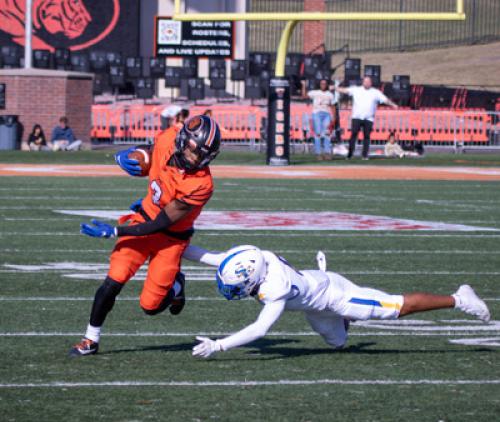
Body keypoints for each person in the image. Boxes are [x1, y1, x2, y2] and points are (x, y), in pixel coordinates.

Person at [70, 115, 221, 356]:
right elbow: (151, 152)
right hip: (143, 217)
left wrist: (115, 231)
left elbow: (160, 223)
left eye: (203, 155)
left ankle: (177, 287)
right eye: (194, 152)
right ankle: (91, 339)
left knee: (150, 306)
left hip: (170, 238)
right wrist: (132, 155)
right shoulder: (169, 138)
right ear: (183, 140)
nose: (196, 159)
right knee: (114, 279)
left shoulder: (201, 184)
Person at [183, 245, 490, 358]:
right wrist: (168, 245)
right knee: (338, 345)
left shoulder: (275, 286)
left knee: (398, 307)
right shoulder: (254, 261)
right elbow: (211, 257)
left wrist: (219, 345)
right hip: (314, 303)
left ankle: (459, 298)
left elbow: (260, 329)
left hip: (336, 296)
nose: (230, 288)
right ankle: (344, 323)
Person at [335, 77, 398, 160]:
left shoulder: (375, 92)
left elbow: (385, 99)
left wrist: (393, 104)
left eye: (368, 82)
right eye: (365, 81)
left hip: (369, 118)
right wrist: (335, 88)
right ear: (363, 82)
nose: (367, 83)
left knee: (366, 137)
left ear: (371, 83)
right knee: (353, 135)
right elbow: (345, 90)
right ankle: (350, 154)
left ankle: (365, 155)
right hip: (356, 117)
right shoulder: (356, 90)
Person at [301, 79, 337, 160]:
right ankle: (318, 153)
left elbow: (333, 106)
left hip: (326, 114)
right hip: (317, 114)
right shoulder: (315, 92)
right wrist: (303, 85)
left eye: (325, 84)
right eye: (322, 83)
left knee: (327, 134)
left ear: (327, 85)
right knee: (318, 134)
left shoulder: (330, 94)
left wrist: (334, 117)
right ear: (319, 85)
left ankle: (327, 153)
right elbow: (304, 96)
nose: (323, 85)